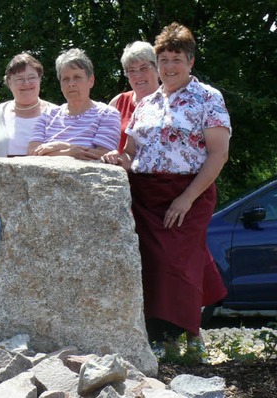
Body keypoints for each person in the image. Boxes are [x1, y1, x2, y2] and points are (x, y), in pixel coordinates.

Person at [102, 23, 231, 351]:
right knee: (153, 264)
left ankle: (180, 334)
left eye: (177, 59)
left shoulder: (207, 98)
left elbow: (219, 153)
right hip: (146, 196)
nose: (169, 67)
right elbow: (131, 153)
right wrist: (116, 160)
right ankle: (169, 339)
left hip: (191, 192)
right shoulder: (146, 104)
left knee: (177, 264)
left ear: (190, 62)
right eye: (164, 60)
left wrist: (187, 199)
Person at [27, 48, 120, 160]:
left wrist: (62, 147)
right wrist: (69, 152)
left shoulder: (107, 114)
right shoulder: (48, 115)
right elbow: (32, 153)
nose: (71, 84)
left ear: (91, 81)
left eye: (77, 77)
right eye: (65, 79)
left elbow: (104, 155)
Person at [0, 53, 55, 157]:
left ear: (39, 79)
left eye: (32, 77)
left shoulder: (57, 114)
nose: (26, 83)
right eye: (20, 79)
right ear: (9, 83)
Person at [108, 41, 159, 154]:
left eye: (143, 68)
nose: (138, 75)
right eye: (131, 70)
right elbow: (105, 144)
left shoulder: (172, 101)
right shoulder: (117, 103)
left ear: (157, 68)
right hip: (121, 170)